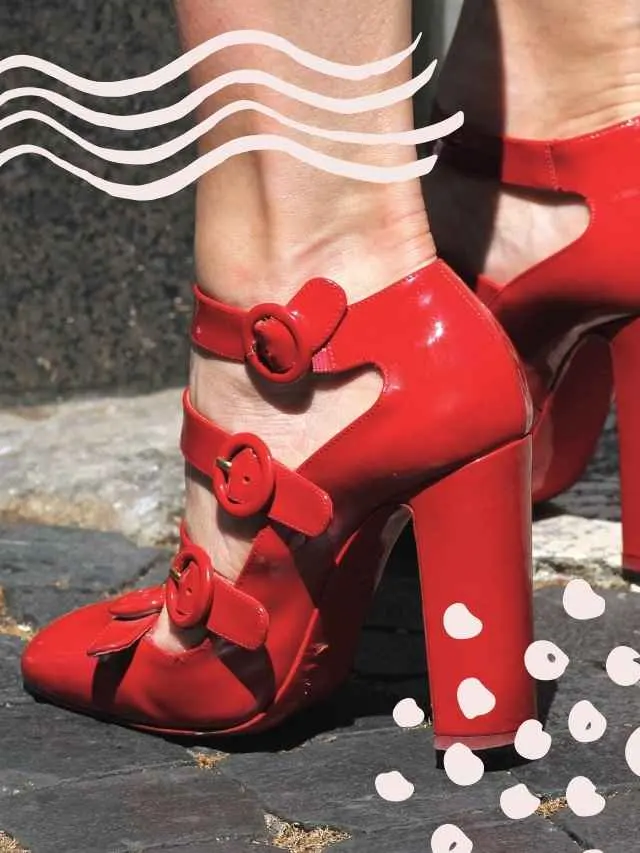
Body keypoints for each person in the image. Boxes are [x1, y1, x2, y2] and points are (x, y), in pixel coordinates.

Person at [21, 0, 640, 748]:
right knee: (592, 82)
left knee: (322, 240)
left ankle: (314, 274)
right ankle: (579, 133)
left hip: (319, 337)